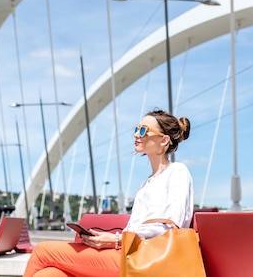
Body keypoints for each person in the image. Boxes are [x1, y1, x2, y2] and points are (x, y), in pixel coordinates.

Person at [23, 109, 194, 277]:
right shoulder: (147, 183)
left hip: (148, 260)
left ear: (164, 140)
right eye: (136, 129)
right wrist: (111, 240)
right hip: (129, 253)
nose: (136, 134)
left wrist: (117, 240)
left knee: (42, 251)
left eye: (143, 130)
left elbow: (170, 227)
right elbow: (135, 230)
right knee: (49, 274)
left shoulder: (177, 171)